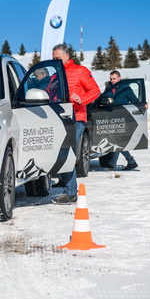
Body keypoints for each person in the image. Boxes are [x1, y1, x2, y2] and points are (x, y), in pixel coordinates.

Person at [51, 44, 101, 204]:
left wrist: (82, 99)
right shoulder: (55, 75)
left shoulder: (80, 71)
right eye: (53, 59)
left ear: (67, 56)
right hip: (57, 118)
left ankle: (71, 192)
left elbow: (95, 91)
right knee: (59, 152)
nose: (55, 61)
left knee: (68, 153)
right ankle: (65, 182)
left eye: (57, 58)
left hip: (76, 118)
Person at [104, 70, 139, 171]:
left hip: (123, 117)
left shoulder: (125, 88)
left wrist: (143, 104)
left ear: (119, 78)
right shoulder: (108, 88)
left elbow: (134, 100)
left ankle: (112, 164)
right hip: (110, 118)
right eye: (111, 79)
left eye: (114, 79)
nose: (112, 81)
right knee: (117, 140)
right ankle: (131, 161)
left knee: (117, 140)